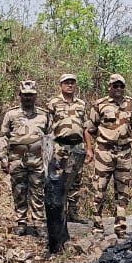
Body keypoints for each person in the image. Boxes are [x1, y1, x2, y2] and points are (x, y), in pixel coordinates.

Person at [0, 80, 50, 236]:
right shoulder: (11, 114)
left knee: (38, 192)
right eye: (25, 95)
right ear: (20, 95)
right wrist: (3, 158)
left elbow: (49, 138)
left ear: (35, 96)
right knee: (19, 191)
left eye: (31, 95)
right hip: (17, 158)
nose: (28, 98)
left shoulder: (44, 115)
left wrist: (50, 161)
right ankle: (21, 222)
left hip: (38, 159)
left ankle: (39, 223)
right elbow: (4, 136)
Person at [87, 74, 132, 237]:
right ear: (109, 87)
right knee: (99, 190)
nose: (119, 89)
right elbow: (90, 129)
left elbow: (130, 125)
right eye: (115, 86)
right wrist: (90, 149)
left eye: (121, 86)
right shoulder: (100, 104)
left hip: (124, 152)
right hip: (105, 152)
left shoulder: (131, 103)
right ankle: (97, 227)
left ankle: (120, 228)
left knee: (122, 192)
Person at [45, 73, 92, 223]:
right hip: (59, 146)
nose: (70, 85)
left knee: (75, 180)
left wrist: (89, 149)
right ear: (61, 85)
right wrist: (47, 150)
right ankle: (58, 214)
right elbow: (47, 128)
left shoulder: (81, 104)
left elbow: (86, 128)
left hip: (77, 147)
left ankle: (73, 213)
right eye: (66, 82)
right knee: (57, 180)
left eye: (72, 82)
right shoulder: (53, 103)